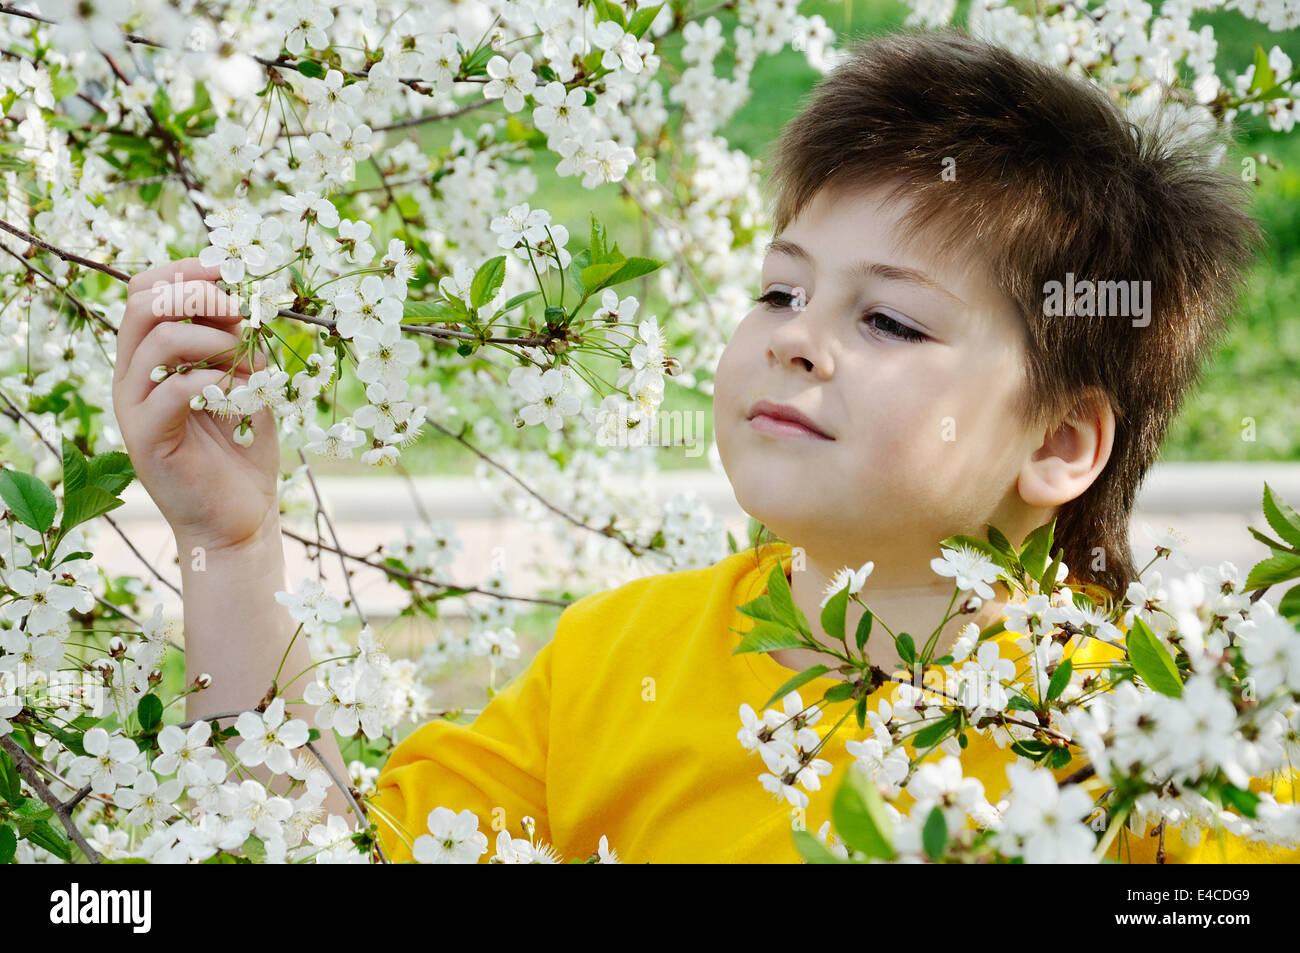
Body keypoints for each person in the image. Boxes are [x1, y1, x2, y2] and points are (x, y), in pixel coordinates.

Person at [112, 26, 1298, 863]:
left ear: (1057, 440)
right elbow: (308, 855)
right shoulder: (610, 659)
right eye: (780, 293)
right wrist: (232, 545)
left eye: (885, 318)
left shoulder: (1165, 738)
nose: (798, 342)